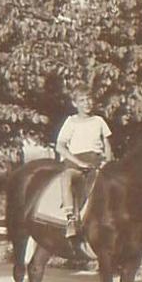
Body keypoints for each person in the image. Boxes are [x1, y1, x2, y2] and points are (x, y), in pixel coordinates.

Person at [55, 86, 113, 239]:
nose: (87, 103)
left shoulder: (99, 121)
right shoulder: (71, 122)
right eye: (82, 100)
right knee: (66, 178)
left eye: (89, 99)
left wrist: (107, 161)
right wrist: (78, 163)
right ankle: (70, 219)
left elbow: (107, 145)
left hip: (96, 160)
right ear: (75, 104)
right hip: (76, 161)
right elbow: (60, 146)